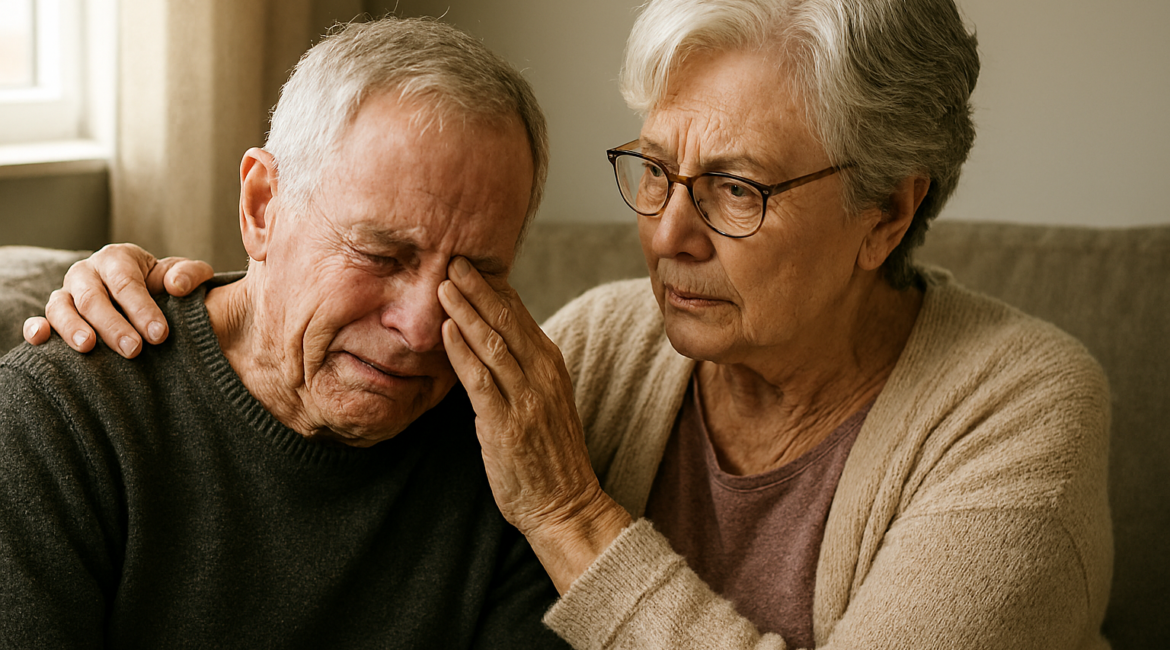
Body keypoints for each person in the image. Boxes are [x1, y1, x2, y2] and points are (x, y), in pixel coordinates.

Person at [26, 0, 1114, 648]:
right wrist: (154, 295)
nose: (667, 235)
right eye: (655, 169)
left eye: (735, 188)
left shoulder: (1018, 406)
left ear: (887, 210)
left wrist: (567, 510)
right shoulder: (593, 347)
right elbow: (321, 342)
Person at [0, 17, 569, 648]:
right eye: (381, 255)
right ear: (262, 206)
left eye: (475, 275)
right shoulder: (61, 417)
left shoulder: (512, 447)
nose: (421, 329)